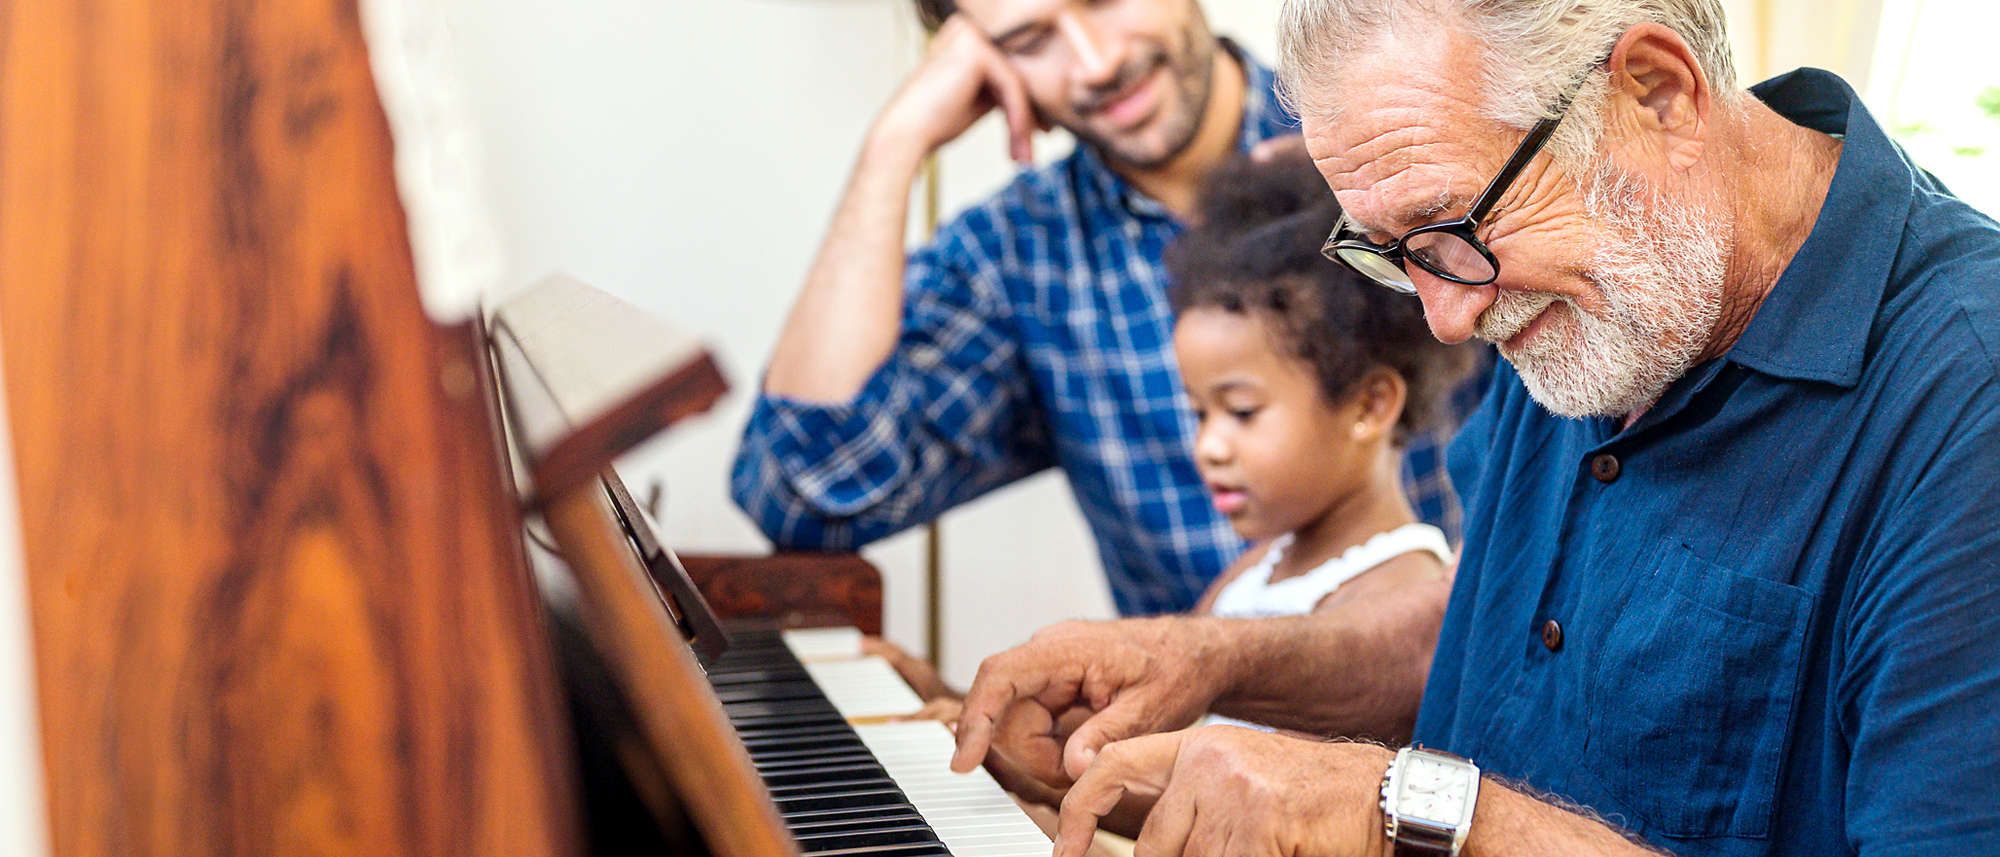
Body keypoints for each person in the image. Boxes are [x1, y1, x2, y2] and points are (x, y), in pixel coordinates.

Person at [946, 1, 2000, 855]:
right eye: (1388, 251)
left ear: (1656, 90)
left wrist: (1395, 806)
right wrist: (1214, 662)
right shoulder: (1598, 289)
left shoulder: (1966, 402)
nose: (1445, 313)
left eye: (1450, 228)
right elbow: (1499, 632)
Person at [730, 0, 1484, 617]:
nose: (1093, 63)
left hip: (1467, 729)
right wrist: (895, 144)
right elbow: (806, 493)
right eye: (1030, 40)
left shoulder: (1396, 149)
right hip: (1187, 759)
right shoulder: (1020, 257)